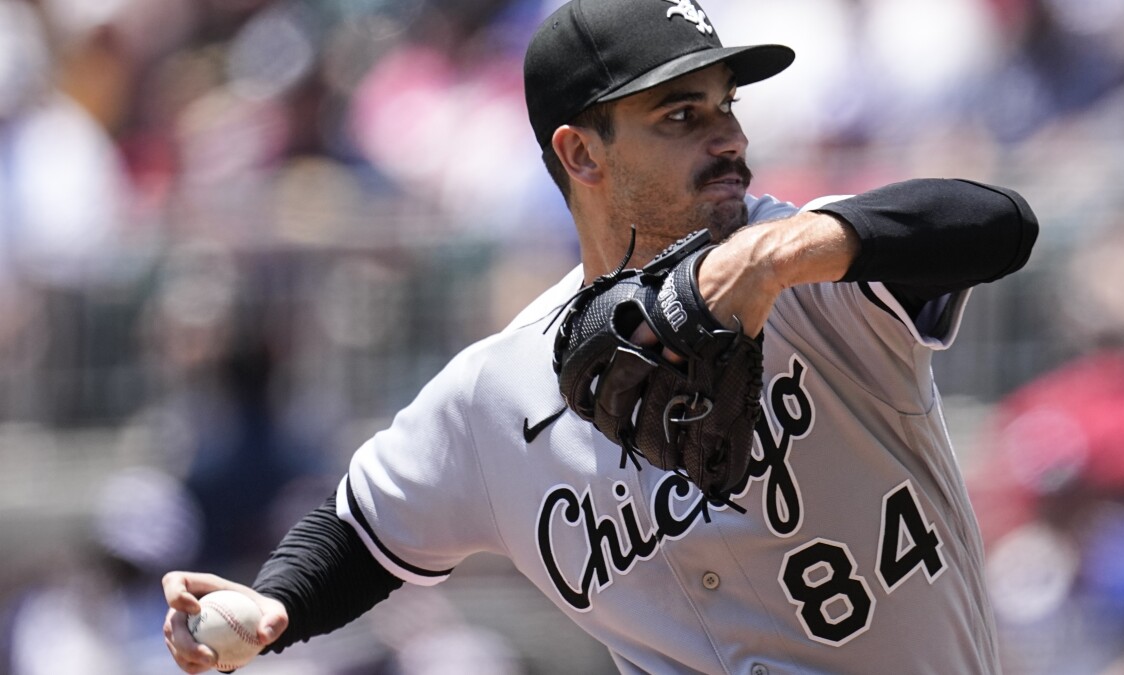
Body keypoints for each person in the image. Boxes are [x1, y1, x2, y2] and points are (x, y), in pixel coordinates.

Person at [162, 0, 1039, 673]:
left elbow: (997, 223)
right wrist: (272, 602)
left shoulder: (812, 268)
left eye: (725, 106)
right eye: (681, 115)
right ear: (582, 154)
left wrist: (781, 255)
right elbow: (358, 531)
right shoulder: (498, 394)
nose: (729, 137)